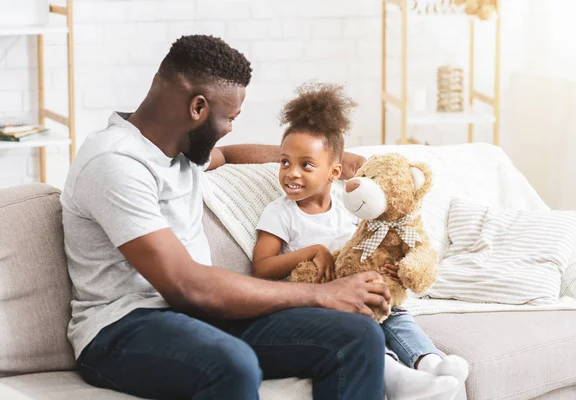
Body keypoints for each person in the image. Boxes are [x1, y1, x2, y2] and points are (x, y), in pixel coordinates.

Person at [61, 35, 393, 400]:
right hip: (121, 329)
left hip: (198, 318)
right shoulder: (115, 163)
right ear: (198, 109)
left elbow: (231, 155)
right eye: (230, 117)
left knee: (357, 336)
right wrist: (319, 294)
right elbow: (188, 287)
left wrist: (334, 162)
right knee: (232, 364)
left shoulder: (181, 151)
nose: (231, 127)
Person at [252, 82, 468, 400]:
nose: (291, 173)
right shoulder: (281, 212)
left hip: (361, 285)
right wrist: (314, 251)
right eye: (285, 162)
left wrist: (391, 269)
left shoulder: (350, 203)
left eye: (305, 165)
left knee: (393, 310)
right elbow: (261, 268)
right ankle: (392, 373)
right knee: (357, 321)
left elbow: (375, 240)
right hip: (318, 297)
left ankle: (428, 363)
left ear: (334, 172)